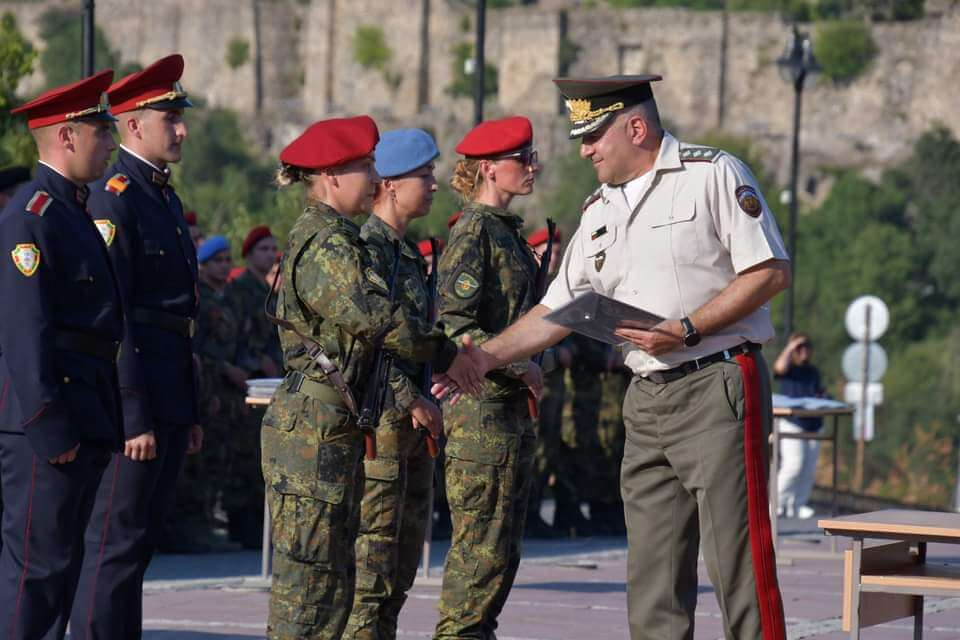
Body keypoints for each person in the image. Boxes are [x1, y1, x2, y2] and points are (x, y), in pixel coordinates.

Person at [437, 75, 792, 640]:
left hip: (716, 383)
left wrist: (688, 328)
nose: (584, 149)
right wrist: (482, 358)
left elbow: (771, 271)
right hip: (646, 399)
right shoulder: (599, 209)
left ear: (636, 127)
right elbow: (557, 309)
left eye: (594, 135)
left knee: (737, 565)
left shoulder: (711, 174)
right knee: (651, 579)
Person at [261, 115, 479, 639]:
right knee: (309, 597)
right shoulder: (327, 242)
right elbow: (377, 319)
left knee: (335, 587)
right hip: (313, 428)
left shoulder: (341, 238)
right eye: (364, 166)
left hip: (334, 423)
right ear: (332, 175)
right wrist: (449, 355)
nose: (374, 176)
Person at [70, 55, 203, 640]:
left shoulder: (163, 198)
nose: (181, 129)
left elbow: (179, 319)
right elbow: (116, 315)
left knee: (140, 544)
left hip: (169, 392)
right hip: (137, 399)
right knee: (112, 545)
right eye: (169, 117)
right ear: (132, 125)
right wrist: (133, 414)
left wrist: (187, 411)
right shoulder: (116, 196)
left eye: (180, 116)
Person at [0, 69, 123, 640]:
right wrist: (51, 427)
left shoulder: (71, 211)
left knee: (63, 569)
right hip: (46, 424)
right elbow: (26, 333)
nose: (112, 143)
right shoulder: (31, 215)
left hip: (85, 410)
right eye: (102, 131)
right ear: (68, 136)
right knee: (35, 573)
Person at [434, 115, 543, 639]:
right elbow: (454, 326)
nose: (532, 166)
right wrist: (520, 363)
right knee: (479, 552)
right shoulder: (473, 233)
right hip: (482, 416)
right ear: (488, 170)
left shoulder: (506, 235)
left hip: (508, 414)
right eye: (521, 158)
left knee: (501, 553)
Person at [344, 127, 445, 639]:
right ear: (388, 183)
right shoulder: (368, 249)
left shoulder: (406, 253)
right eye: (424, 175)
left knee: (400, 573)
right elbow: (369, 339)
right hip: (381, 429)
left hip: (412, 430)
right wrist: (411, 398)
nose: (434, 184)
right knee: (371, 572)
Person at [224, 225, 282, 546]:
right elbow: (234, 336)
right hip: (246, 379)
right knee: (243, 453)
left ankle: (255, 526)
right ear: (248, 254)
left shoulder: (268, 290)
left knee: (260, 452)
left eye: (273, 249)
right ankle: (242, 525)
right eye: (263, 249)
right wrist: (254, 361)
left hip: (268, 378)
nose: (270, 254)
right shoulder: (241, 288)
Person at [524, 226, 566, 539]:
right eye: (548, 251)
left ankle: (537, 508)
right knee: (532, 448)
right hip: (531, 377)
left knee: (547, 448)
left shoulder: (557, 288)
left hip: (552, 380)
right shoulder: (531, 286)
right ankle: (527, 510)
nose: (554, 257)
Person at [773, 332, 824, 519]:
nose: (804, 351)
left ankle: (798, 504)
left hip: (813, 423)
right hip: (792, 422)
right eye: (800, 347)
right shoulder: (790, 369)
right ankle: (777, 502)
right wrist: (790, 347)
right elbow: (779, 368)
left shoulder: (813, 371)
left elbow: (819, 392)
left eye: (807, 347)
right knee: (794, 464)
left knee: (808, 468)